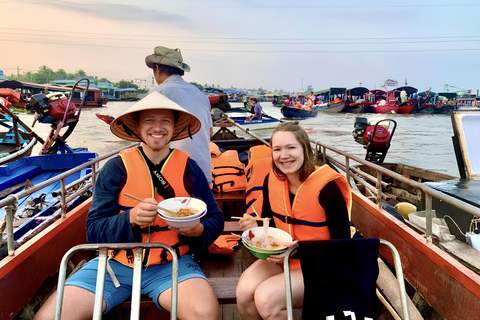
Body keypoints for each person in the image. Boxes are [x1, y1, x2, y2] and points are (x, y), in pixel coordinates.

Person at [34, 92, 224, 320]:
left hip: (172, 262)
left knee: (205, 314)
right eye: (149, 121)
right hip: (114, 263)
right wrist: (130, 218)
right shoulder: (115, 168)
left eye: (166, 121)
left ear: (174, 128)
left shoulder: (189, 168)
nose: (158, 127)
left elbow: (215, 218)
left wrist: (199, 230)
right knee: (49, 317)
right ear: (137, 127)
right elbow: (93, 230)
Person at [235, 121, 353, 319]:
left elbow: (343, 245)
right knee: (244, 292)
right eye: (277, 149)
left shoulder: (328, 189)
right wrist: (256, 225)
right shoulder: (270, 181)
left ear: (305, 149)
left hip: (322, 264)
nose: (284, 155)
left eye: (291, 147)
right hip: (284, 258)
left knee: (266, 299)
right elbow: (270, 224)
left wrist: (299, 250)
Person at [146, 46, 213, 185]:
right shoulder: (202, 95)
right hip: (203, 174)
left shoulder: (158, 92)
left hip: (170, 178)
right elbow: (209, 133)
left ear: (157, 68)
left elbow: (149, 139)